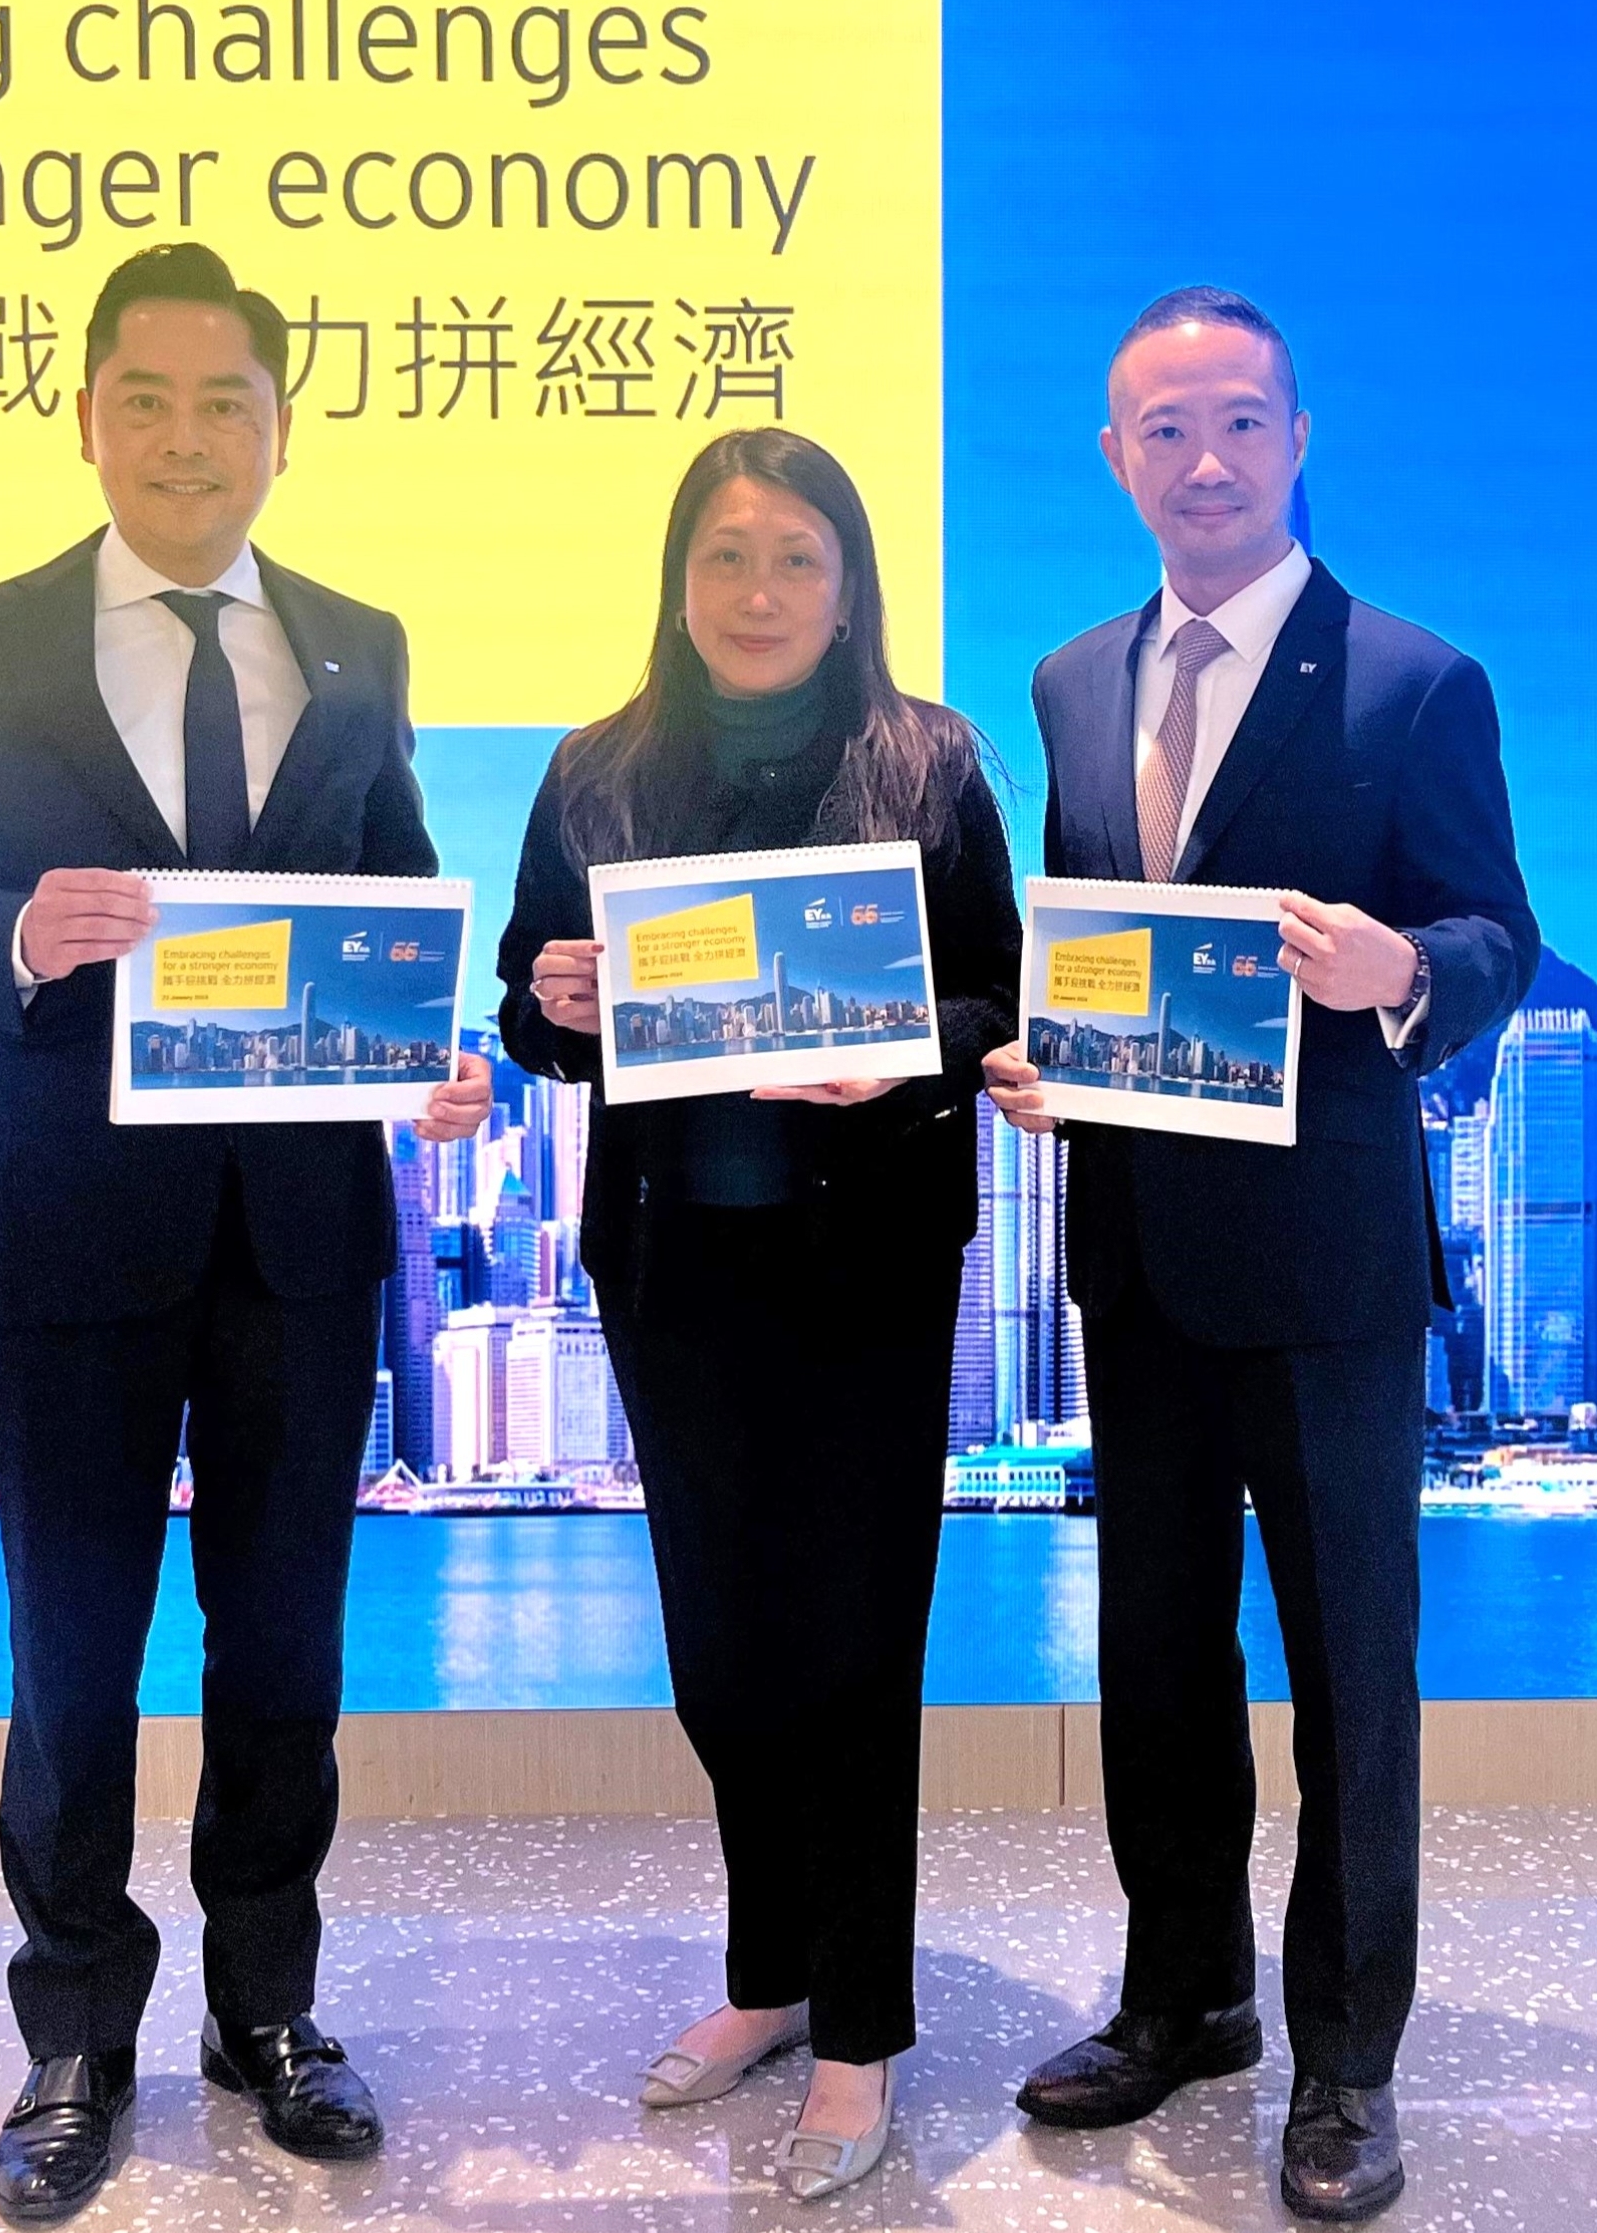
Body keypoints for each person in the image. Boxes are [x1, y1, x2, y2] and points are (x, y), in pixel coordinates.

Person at [0, 241, 493, 2226]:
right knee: (75, 1654)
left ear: (282, 429)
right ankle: (74, 2036)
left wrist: (433, 1051)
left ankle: (267, 2010)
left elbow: (397, 893)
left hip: (301, 1233)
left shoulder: (359, 643)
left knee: (286, 1648)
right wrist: (17, 932)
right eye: (149, 399)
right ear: (89, 417)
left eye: (227, 403)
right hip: (70, 1229)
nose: (188, 438)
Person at [982, 287, 1537, 2222]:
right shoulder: (1069, 683)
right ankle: (1185, 1995)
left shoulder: (1413, 682)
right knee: (1154, 1659)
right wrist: (1042, 1061)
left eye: (1238, 422)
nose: (1203, 461)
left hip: (1326, 1277)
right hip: (1133, 1254)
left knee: (1349, 1678)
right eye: (1165, 429)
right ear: (1114, 457)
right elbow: (1095, 945)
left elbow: (1502, 933)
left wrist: (1407, 970)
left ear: (1297, 439)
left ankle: (1348, 2059)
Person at [496, 427, 1019, 2202]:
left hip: (869, 1263)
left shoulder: (930, 762)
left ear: (849, 585)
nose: (760, 591)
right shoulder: (595, 772)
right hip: (674, 1264)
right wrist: (559, 996)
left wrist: (902, 1052)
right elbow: (531, 1010)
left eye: (799, 557)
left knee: (856, 1650)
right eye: (726, 556)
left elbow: (999, 996)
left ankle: (860, 2031)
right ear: (678, 579)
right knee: (721, 1654)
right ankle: (770, 1976)